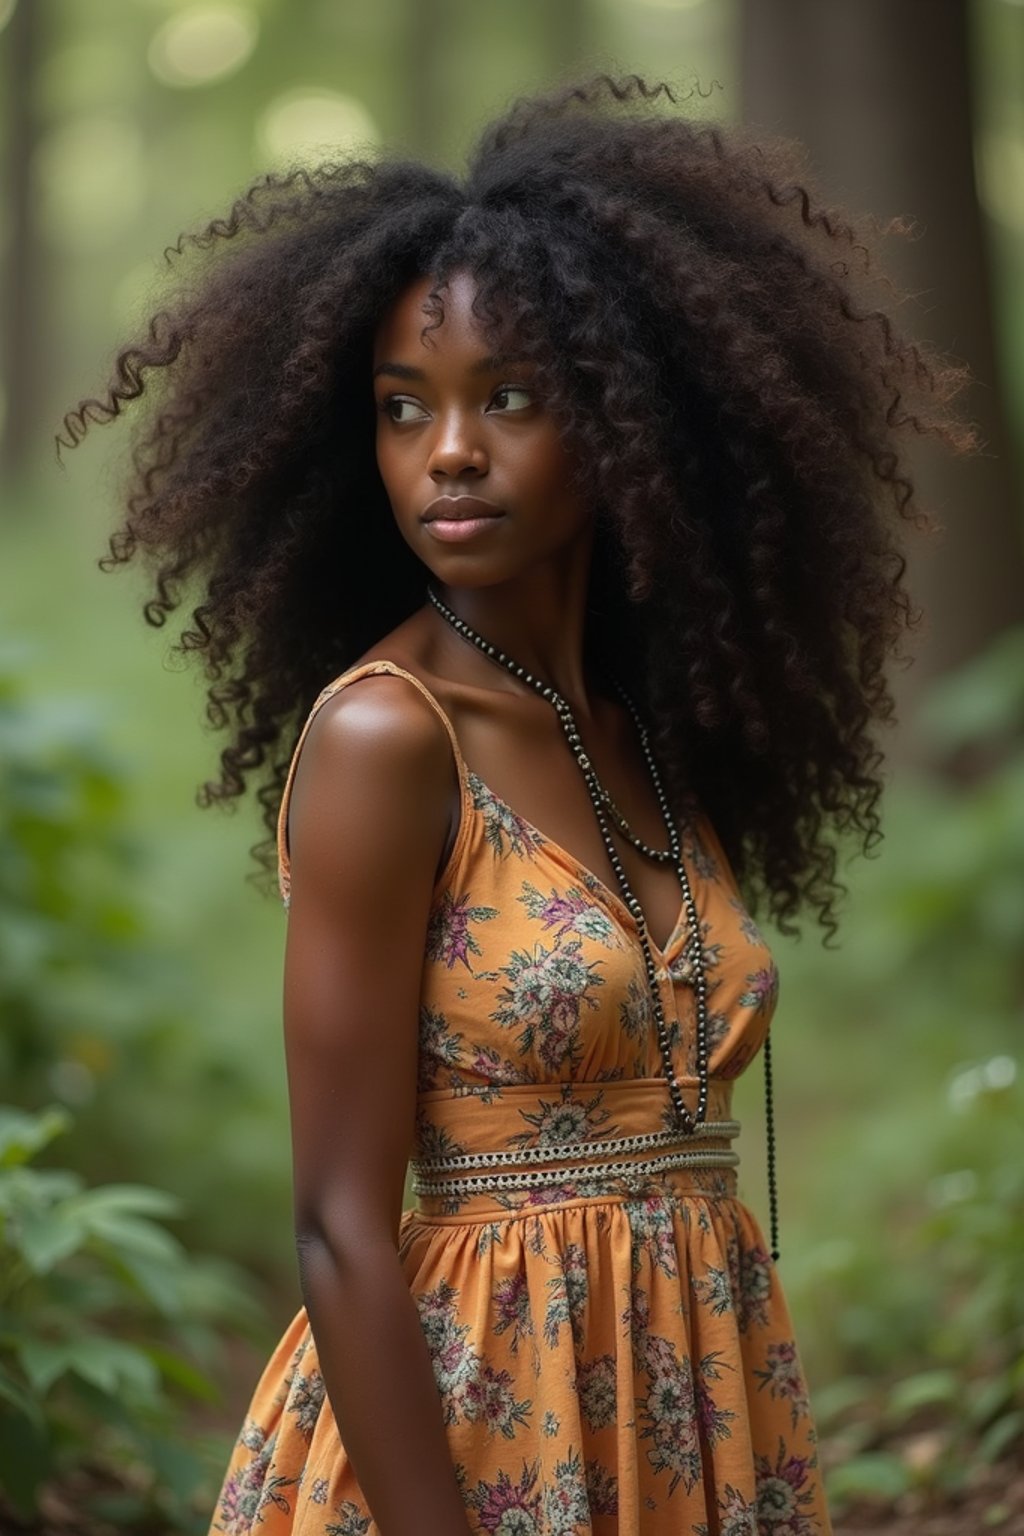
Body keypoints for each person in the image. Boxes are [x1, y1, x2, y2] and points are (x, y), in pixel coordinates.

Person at [61, 74, 974, 1536]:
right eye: (402, 409)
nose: (451, 454)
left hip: (697, 1404)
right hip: (476, 1436)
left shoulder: (634, 730)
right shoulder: (385, 734)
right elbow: (341, 1225)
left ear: (627, 423)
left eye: (511, 398)